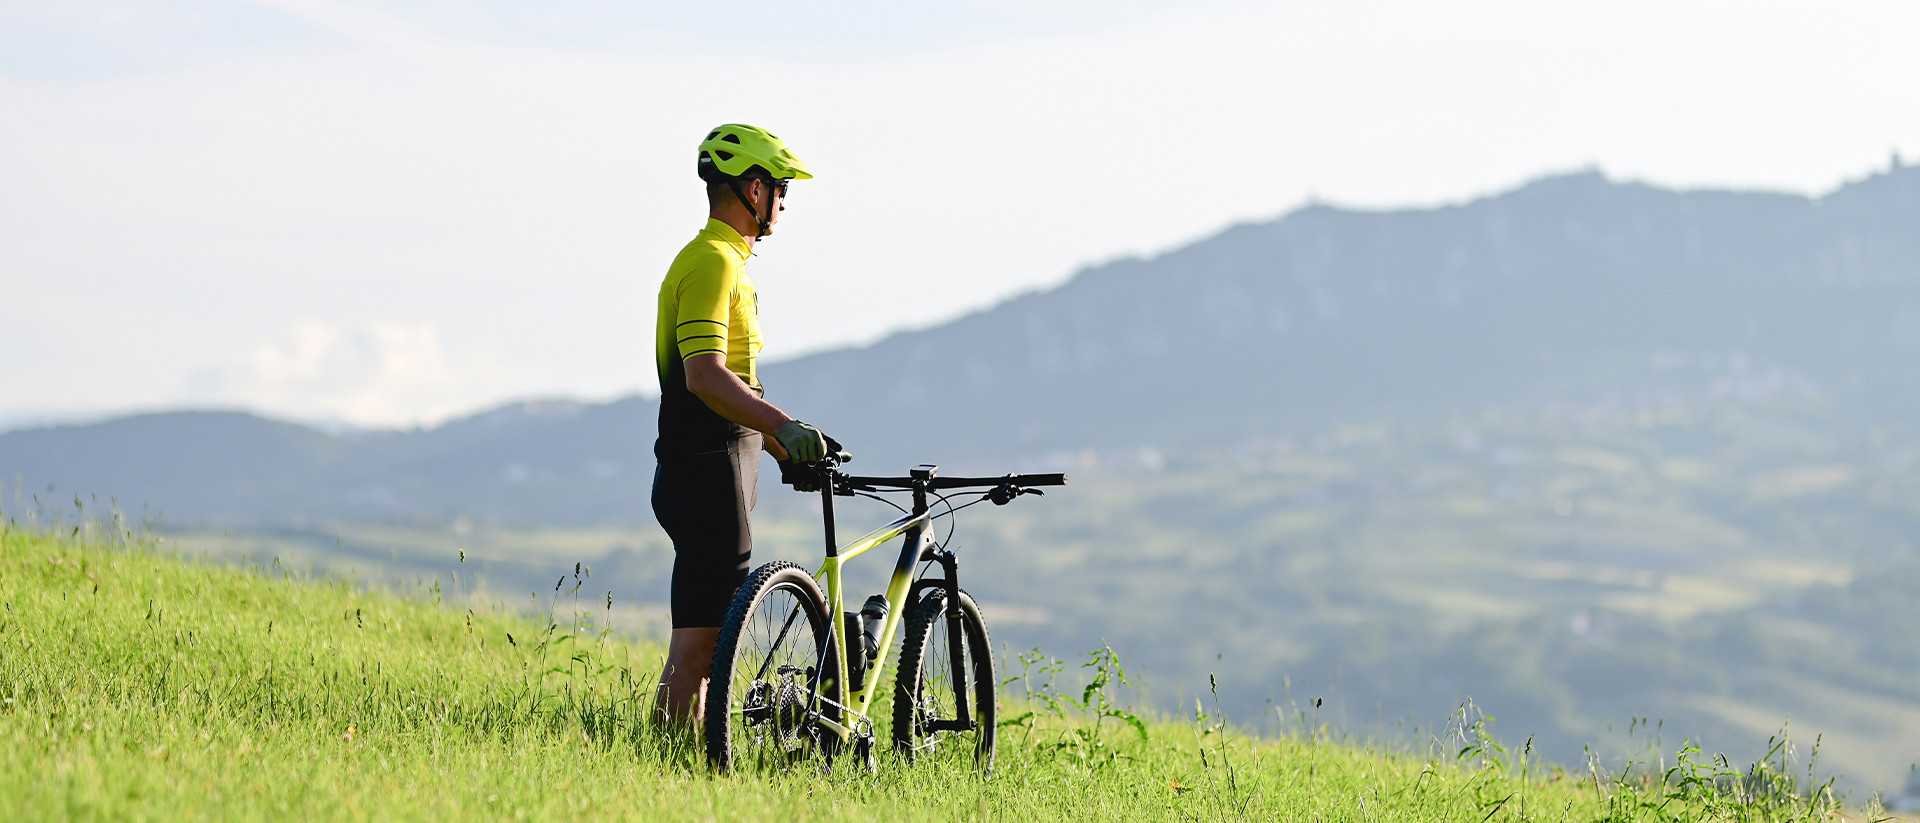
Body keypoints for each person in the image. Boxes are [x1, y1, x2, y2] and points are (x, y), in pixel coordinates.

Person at [651, 123, 838, 729]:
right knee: (704, 647)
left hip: (710, 463)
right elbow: (704, 376)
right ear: (754, 189)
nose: (784, 202)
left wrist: (782, 449)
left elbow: (733, 388)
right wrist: (785, 426)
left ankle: (678, 759)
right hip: (709, 468)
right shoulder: (712, 262)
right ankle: (675, 762)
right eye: (782, 188)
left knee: (703, 642)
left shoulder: (723, 260)